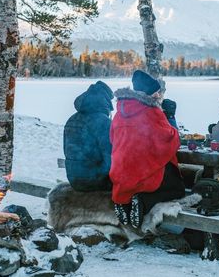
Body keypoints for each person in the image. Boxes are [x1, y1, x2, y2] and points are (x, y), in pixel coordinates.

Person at [110, 70, 185, 228]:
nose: (158, 96)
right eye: (156, 92)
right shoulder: (151, 111)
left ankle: (124, 204)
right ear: (148, 94)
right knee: (178, 189)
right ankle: (144, 201)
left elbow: (112, 139)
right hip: (142, 173)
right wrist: (170, 118)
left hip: (121, 172)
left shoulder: (120, 112)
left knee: (130, 186)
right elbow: (170, 139)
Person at [63, 81, 114, 191]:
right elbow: (110, 157)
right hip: (96, 181)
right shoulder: (103, 122)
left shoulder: (72, 119)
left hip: (74, 180)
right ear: (106, 101)